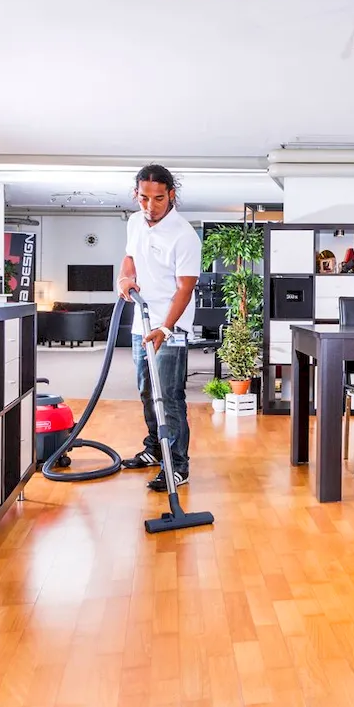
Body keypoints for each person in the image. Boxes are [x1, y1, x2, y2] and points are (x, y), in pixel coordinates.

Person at [116, 163, 202, 489]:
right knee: (146, 391)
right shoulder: (134, 222)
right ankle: (154, 449)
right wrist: (125, 278)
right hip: (142, 323)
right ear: (136, 195)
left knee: (169, 395)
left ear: (171, 195)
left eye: (158, 198)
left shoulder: (184, 235)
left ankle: (177, 465)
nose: (150, 206)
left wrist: (165, 329)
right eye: (144, 198)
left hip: (171, 329)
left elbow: (185, 288)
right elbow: (130, 258)